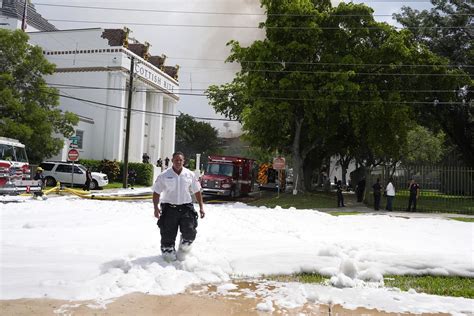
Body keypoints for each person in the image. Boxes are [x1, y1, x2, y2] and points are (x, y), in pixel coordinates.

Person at [152, 152, 205, 262]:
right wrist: (156, 208)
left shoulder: (189, 174)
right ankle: (168, 255)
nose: (178, 162)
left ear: (184, 161)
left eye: (180, 160)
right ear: (172, 160)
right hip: (169, 209)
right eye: (176, 160)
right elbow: (156, 192)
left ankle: (183, 251)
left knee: (190, 233)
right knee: (167, 235)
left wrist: (201, 207)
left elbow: (197, 191)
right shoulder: (164, 175)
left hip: (186, 208)